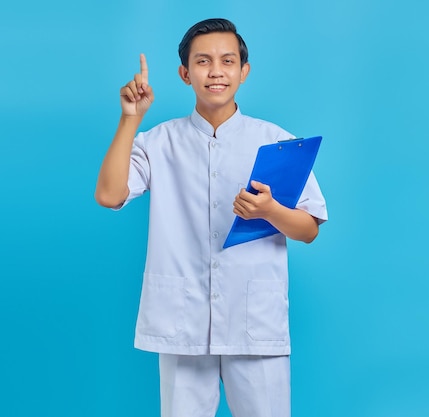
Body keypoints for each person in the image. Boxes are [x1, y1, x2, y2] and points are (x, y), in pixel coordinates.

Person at [95, 18, 327, 417]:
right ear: (185, 73)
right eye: (203, 61)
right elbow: (109, 194)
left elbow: (309, 230)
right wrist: (131, 119)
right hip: (182, 322)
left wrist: (270, 210)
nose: (216, 71)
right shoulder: (159, 142)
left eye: (227, 60)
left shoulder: (277, 142)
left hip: (254, 322)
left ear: (243, 71)